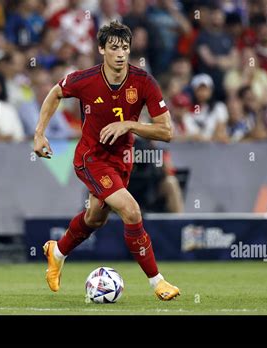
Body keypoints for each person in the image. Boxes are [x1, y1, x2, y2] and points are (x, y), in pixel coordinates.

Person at [33, 21, 180, 301]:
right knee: (132, 211)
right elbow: (55, 93)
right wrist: (39, 133)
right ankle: (157, 282)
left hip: (121, 163)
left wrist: (129, 125)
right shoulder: (85, 79)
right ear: (102, 49)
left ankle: (57, 251)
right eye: (114, 48)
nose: (121, 53)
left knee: (95, 217)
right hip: (91, 158)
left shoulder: (143, 82)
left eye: (125, 47)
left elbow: (167, 131)